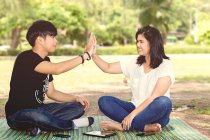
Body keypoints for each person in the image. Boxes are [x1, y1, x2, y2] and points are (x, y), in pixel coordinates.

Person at [5, 20, 97, 136]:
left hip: (40, 109)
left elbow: (52, 93)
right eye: (52, 37)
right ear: (39, 40)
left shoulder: (47, 61)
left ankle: (40, 127)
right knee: (36, 116)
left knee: (78, 107)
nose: (56, 41)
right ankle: (71, 124)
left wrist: (75, 98)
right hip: (17, 114)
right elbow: (57, 69)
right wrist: (86, 55)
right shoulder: (26, 58)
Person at [88, 25, 175, 132]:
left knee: (164, 102)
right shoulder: (134, 62)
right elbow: (108, 67)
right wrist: (92, 54)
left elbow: (153, 98)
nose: (138, 45)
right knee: (104, 101)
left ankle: (123, 126)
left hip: (156, 114)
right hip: (134, 107)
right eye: (137, 41)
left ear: (152, 43)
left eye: (141, 42)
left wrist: (131, 116)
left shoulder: (165, 66)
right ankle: (143, 127)